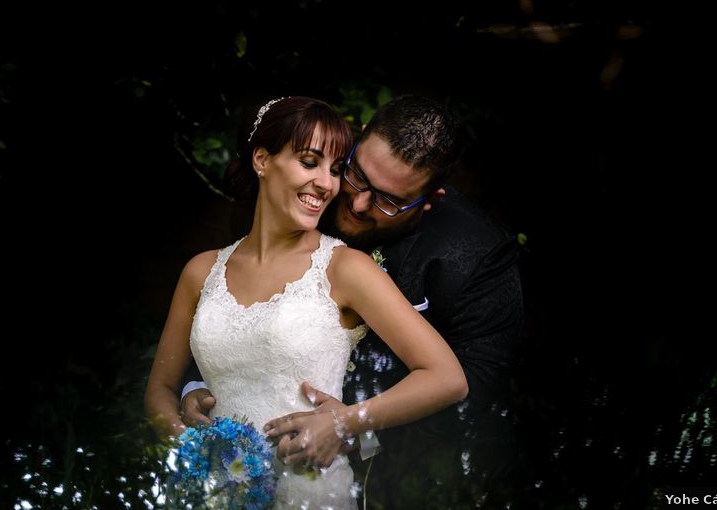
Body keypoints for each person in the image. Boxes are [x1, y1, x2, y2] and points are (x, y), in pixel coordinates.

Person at [182, 95, 525, 506]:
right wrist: (204, 387)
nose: (358, 204)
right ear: (357, 142)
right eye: (357, 176)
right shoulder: (302, 186)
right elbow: (228, 299)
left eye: (390, 201)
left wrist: (355, 426)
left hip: (397, 479)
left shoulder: (477, 255)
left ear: (431, 199)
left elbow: (474, 382)